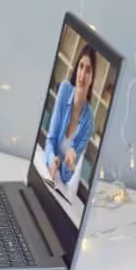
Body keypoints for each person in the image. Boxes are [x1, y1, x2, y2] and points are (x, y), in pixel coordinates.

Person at [45, 44, 96, 186]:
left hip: (61, 184)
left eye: (88, 70)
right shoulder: (64, 90)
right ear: (76, 68)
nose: (83, 74)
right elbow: (50, 139)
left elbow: (67, 176)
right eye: (81, 66)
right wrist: (51, 159)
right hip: (47, 170)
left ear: (92, 78)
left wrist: (69, 164)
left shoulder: (89, 123)